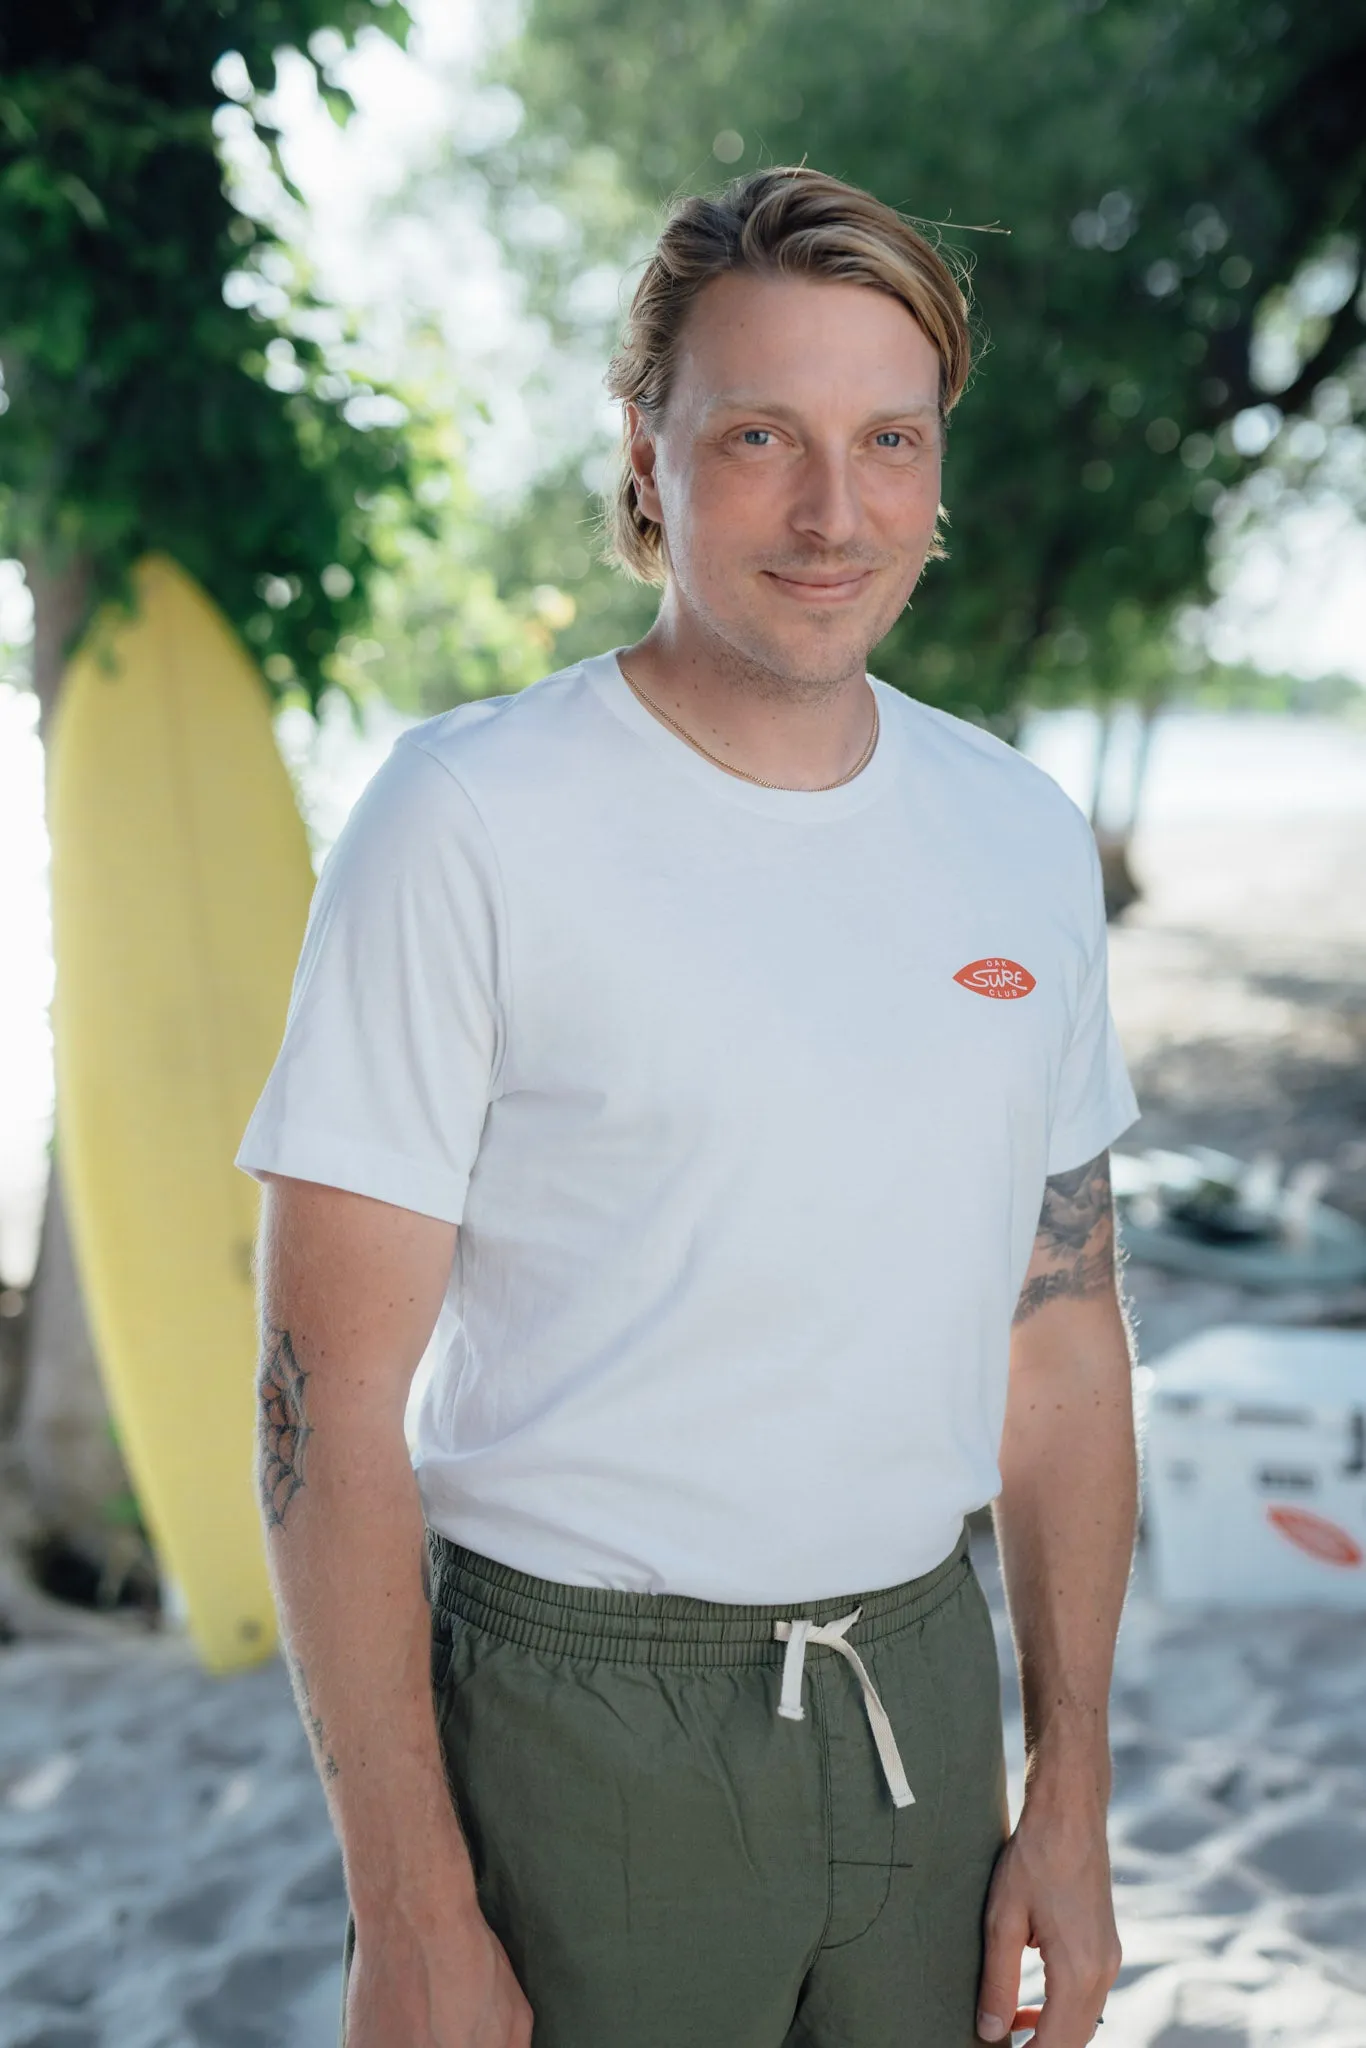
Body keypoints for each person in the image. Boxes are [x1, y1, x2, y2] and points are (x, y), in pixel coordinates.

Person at [237, 164, 1140, 2048]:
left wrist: (1065, 1795)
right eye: (758, 438)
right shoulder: (467, 820)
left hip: (918, 1688)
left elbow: (1058, 1338)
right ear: (646, 463)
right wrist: (407, 1907)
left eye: (887, 438)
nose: (833, 512)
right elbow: (324, 1406)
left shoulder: (1019, 838)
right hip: (577, 1716)